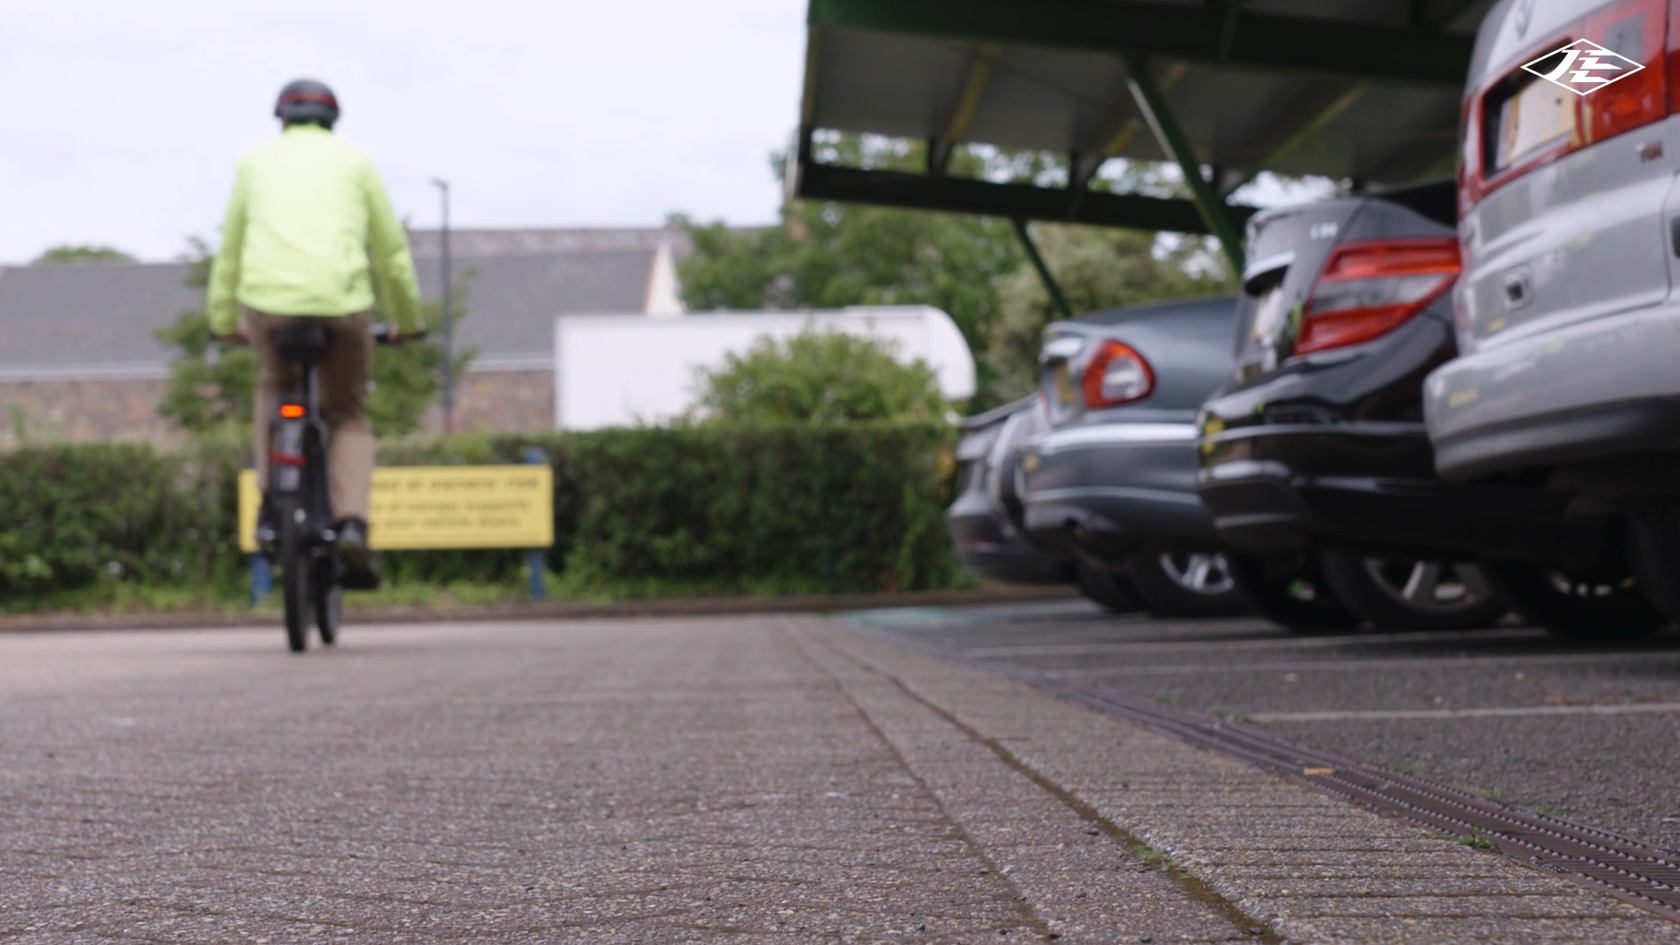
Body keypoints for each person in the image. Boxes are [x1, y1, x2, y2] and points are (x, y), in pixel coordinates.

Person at [207, 78, 423, 589]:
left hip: (268, 306)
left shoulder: (253, 163)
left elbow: (229, 249)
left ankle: (268, 505)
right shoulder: (356, 162)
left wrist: (222, 322)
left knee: (275, 390)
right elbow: (391, 253)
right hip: (343, 304)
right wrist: (408, 323)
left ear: (281, 119)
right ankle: (350, 523)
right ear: (332, 121)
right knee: (347, 413)